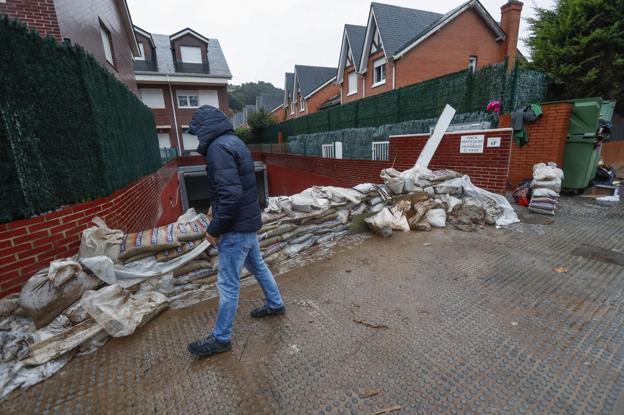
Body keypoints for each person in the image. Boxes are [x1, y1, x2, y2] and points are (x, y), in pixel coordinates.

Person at [186, 105, 285, 357]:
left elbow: (231, 195)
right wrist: (213, 205)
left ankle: (221, 339)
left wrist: (214, 228)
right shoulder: (234, 142)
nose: (197, 138)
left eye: (197, 133)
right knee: (258, 266)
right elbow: (237, 185)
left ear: (206, 128)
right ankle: (275, 304)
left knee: (228, 284)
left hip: (235, 229)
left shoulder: (218, 149)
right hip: (248, 223)